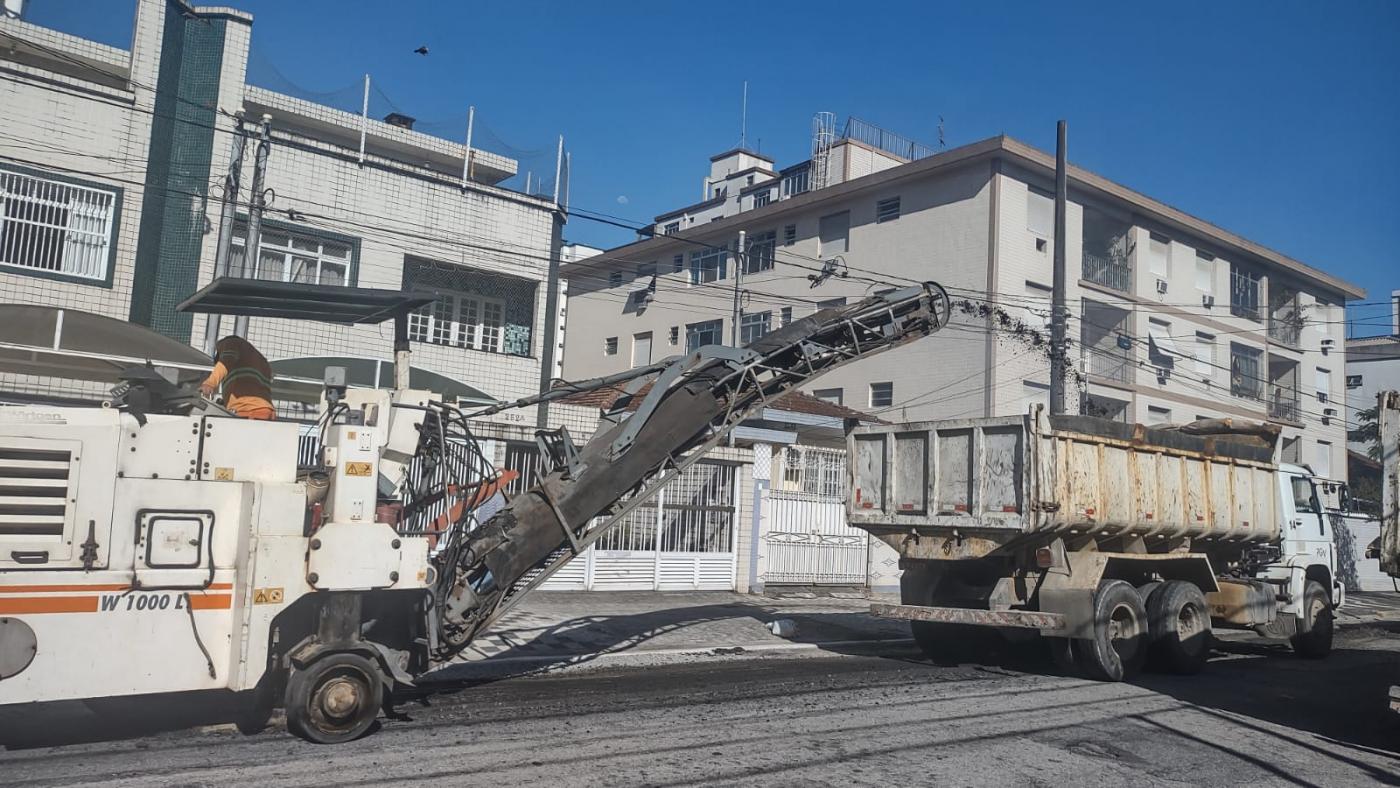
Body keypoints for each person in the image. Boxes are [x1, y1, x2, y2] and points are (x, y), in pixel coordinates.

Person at [201, 335, 276, 420]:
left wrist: (209, 383)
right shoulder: (261, 361)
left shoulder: (230, 343)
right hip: (266, 411)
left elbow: (225, 362)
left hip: (248, 411)